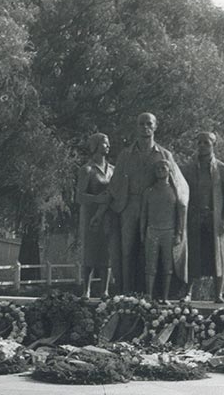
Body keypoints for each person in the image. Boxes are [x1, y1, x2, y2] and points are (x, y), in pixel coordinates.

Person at [109, 112, 189, 293]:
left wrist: (176, 212)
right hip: (130, 205)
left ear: (155, 126)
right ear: (136, 127)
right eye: (141, 124)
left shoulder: (165, 155)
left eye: (149, 124)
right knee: (127, 250)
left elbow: (178, 185)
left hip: (155, 209)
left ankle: (155, 294)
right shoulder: (125, 155)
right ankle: (126, 293)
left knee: (155, 252)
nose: (145, 127)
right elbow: (115, 183)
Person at [181, 132, 224, 303]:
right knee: (192, 255)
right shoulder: (188, 168)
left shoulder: (222, 169)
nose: (202, 146)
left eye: (206, 143)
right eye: (199, 143)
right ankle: (187, 293)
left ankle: (218, 295)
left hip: (214, 218)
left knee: (217, 257)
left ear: (214, 145)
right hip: (194, 218)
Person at [76, 133, 118, 298]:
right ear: (95, 146)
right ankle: (86, 290)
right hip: (90, 215)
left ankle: (104, 290)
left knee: (106, 252)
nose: (108, 146)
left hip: (108, 215)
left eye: (108, 144)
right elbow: (79, 196)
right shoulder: (87, 170)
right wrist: (96, 199)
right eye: (105, 143)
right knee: (90, 251)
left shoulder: (113, 170)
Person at [140, 160, 185, 301]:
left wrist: (179, 233)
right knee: (150, 266)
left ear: (169, 170)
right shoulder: (149, 191)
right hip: (152, 232)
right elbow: (143, 214)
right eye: (157, 168)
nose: (160, 170)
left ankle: (165, 298)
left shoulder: (175, 191)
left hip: (169, 232)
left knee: (167, 267)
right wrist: (142, 232)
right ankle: (149, 296)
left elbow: (180, 214)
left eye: (163, 168)